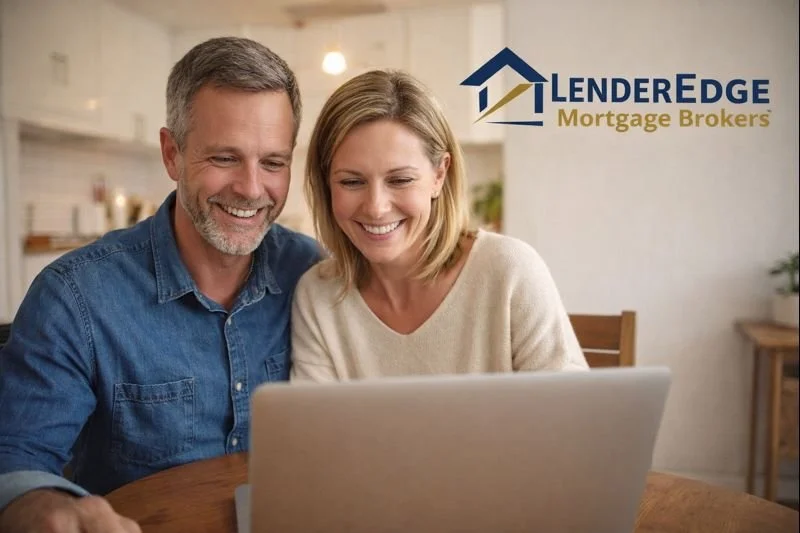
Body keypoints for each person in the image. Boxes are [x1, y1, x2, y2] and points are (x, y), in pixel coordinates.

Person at [0, 37, 320, 532]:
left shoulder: (313, 275)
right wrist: (43, 508)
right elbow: (16, 458)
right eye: (224, 158)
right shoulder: (74, 297)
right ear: (172, 154)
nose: (253, 189)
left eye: (273, 162)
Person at [291, 70, 588, 382]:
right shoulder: (318, 295)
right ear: (326, 184)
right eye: (352, 182)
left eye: (400, 179)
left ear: (439, 174)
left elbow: (574, 417)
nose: (376, 207)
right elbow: (318, 430)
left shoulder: (508, 270)